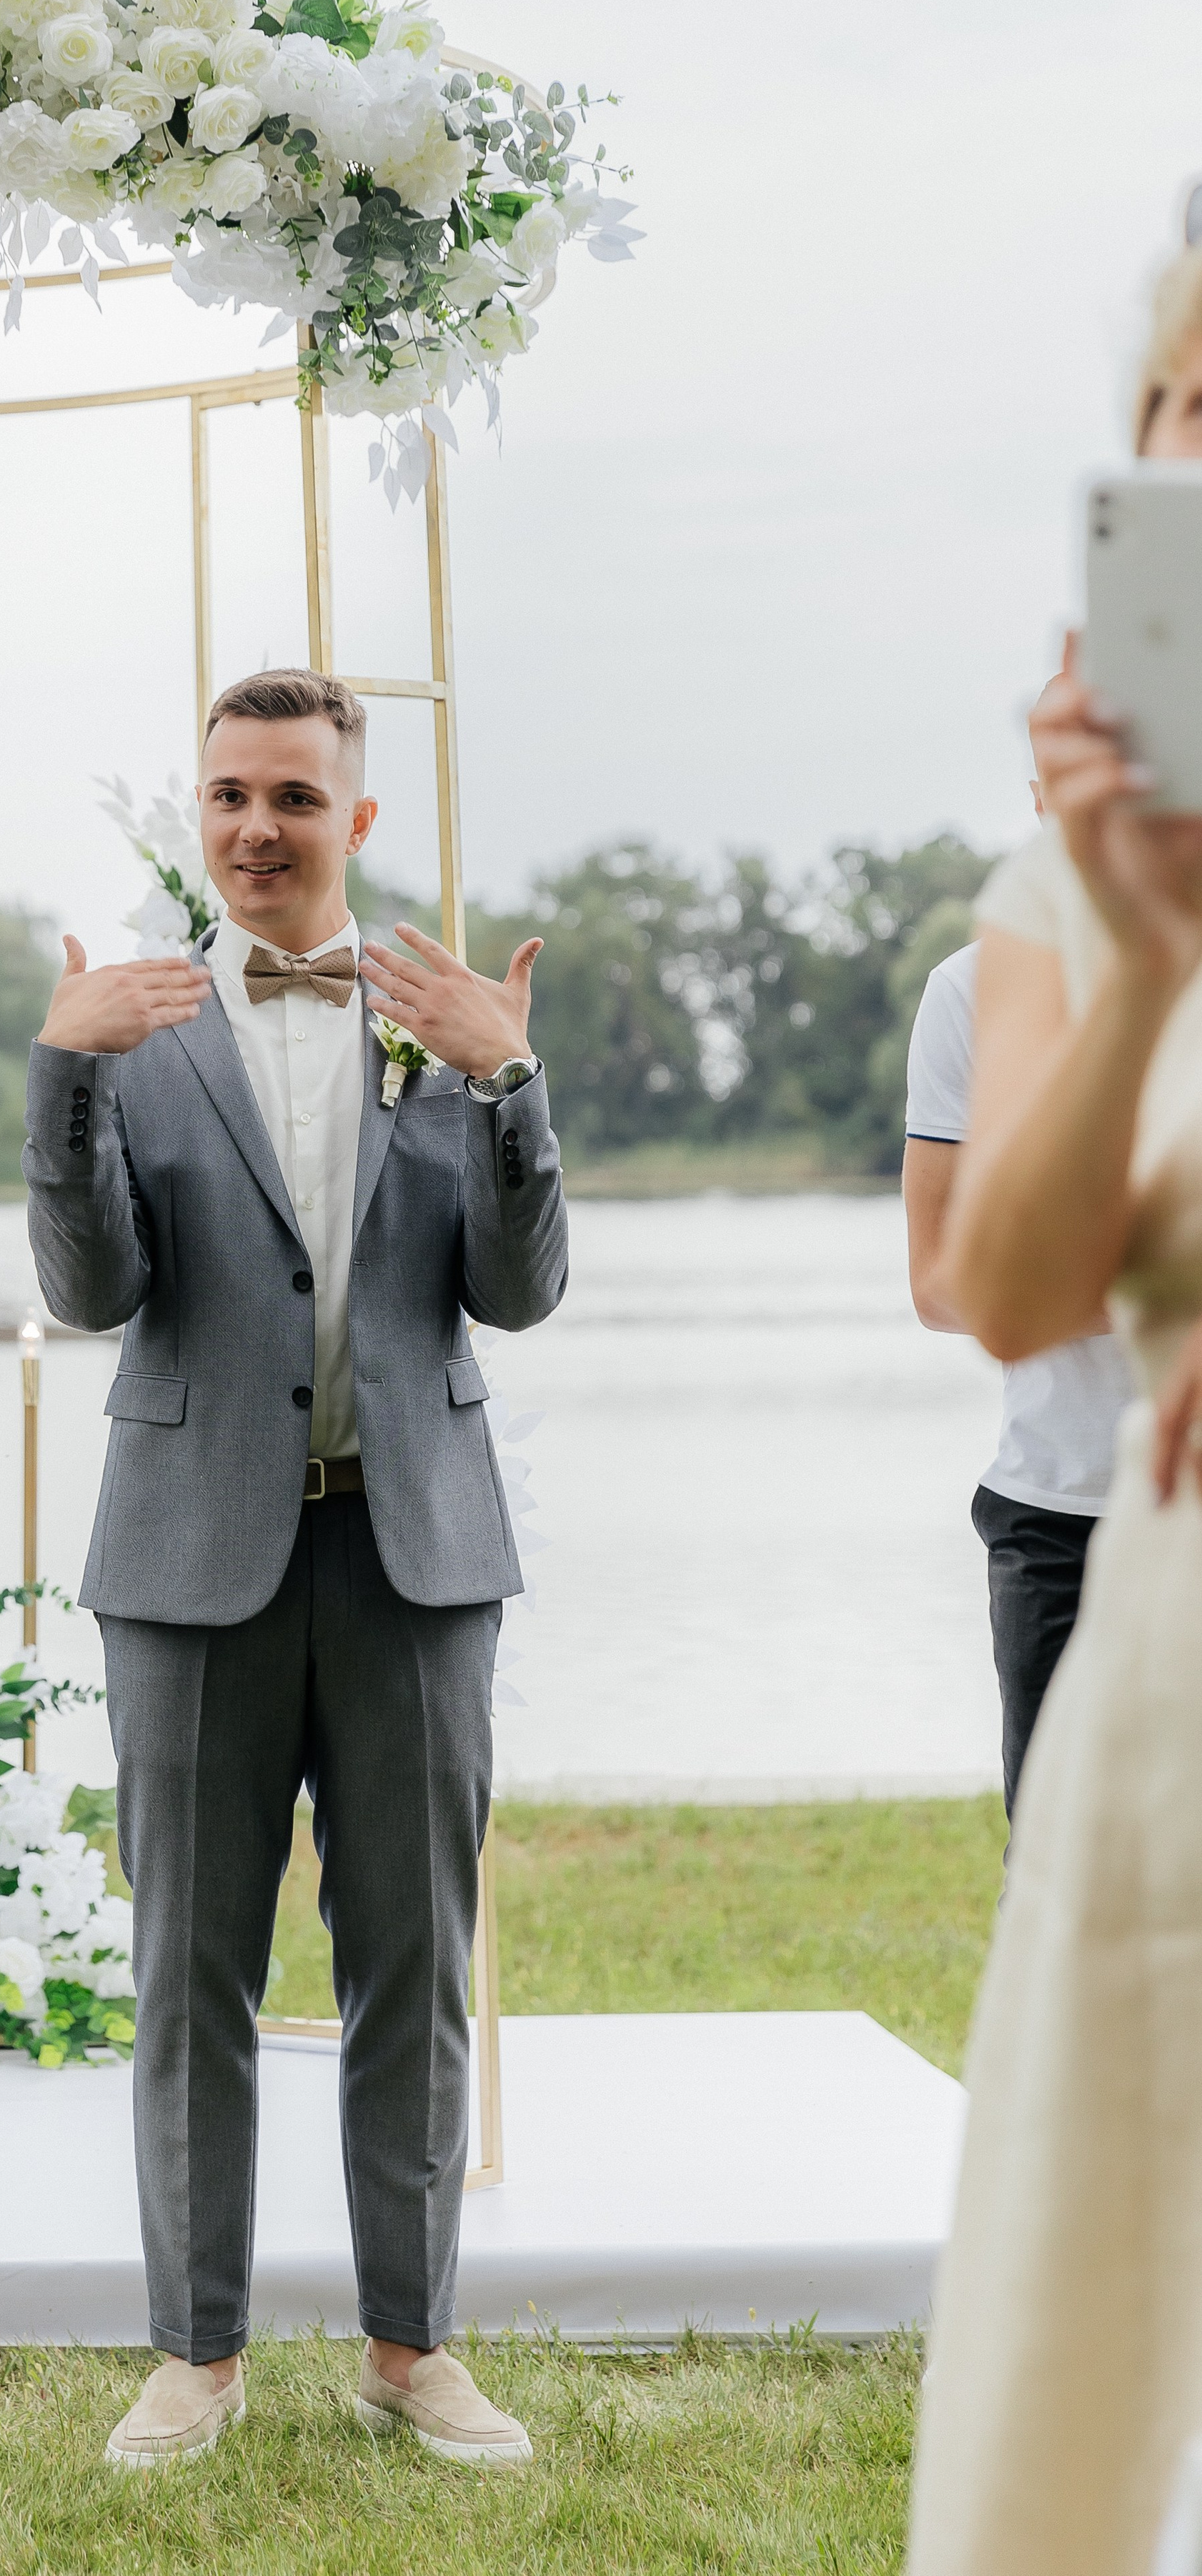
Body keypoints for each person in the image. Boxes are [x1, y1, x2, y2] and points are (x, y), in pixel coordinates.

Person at [24, 667, 567, 2472]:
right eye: (228, 796)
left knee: (415, 1962)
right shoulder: (139, 1026)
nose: (256, 826)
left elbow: (516, 1286)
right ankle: (196, 2354)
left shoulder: (438, 1014)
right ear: (201, 811)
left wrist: (507, 1084)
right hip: (190, 1562)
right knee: (189, 1969)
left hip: (413, 1555)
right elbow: (92, 1294)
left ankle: (412, 2350)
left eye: (292, 799)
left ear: (358, 820)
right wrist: (61, 1075)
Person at [907, 245, 1202, 2573]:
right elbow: (1006, 1293)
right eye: (1178, 395)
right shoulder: (1051, 891)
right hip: (1158, 1625)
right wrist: (1145, 954)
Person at [903, 935, 1131, 1819]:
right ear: (1041, 795)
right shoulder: (971, 991)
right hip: (1062, 1520)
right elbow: (937, 1283)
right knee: (1057, 1891)